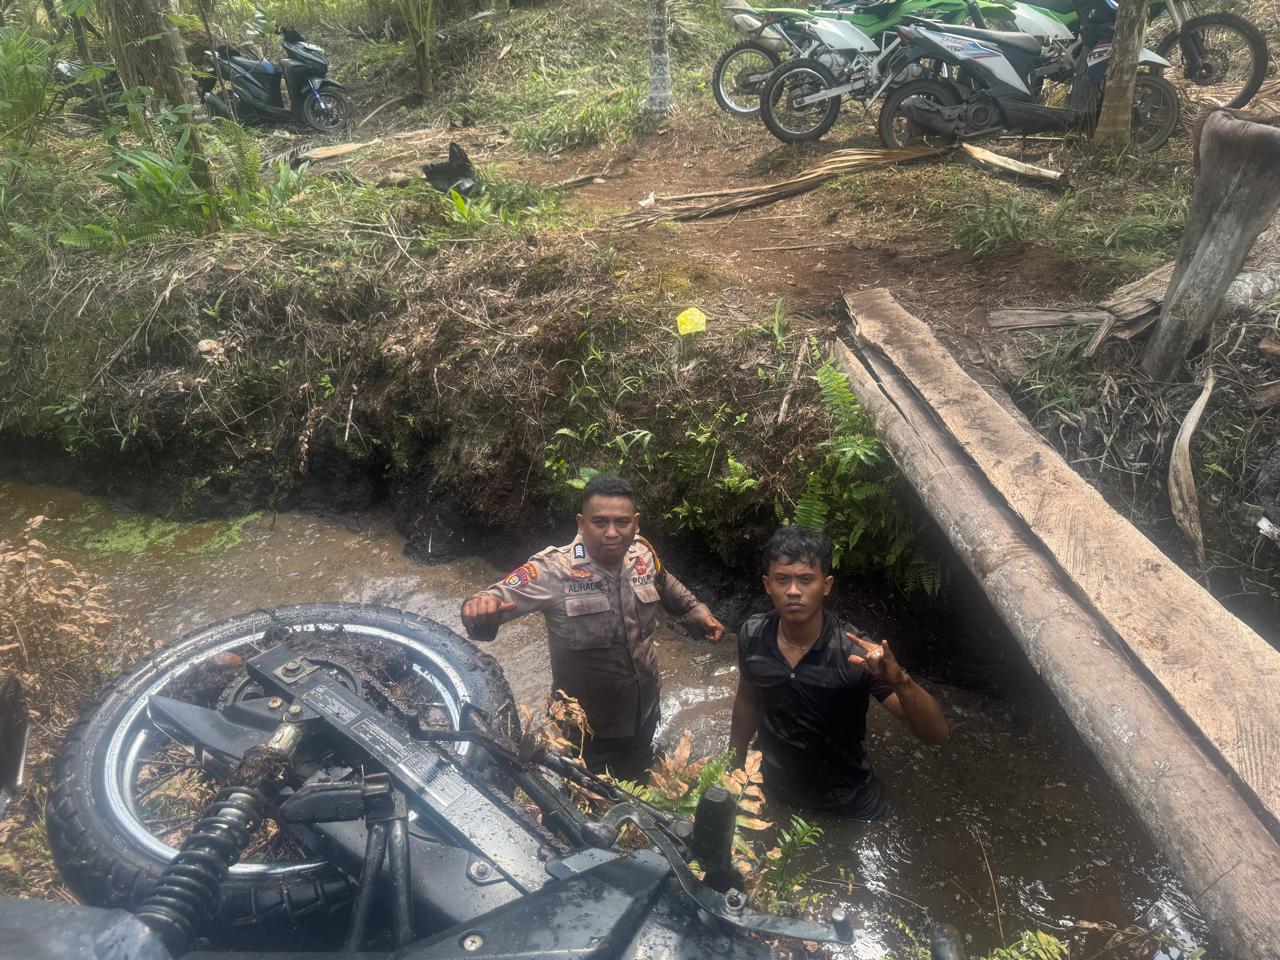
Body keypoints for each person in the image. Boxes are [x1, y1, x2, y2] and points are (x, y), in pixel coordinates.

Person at [460, 474, 725, 780]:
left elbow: (664, 581)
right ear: (581, 523)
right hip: (587, 735)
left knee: (640, 787)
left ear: (635, 523)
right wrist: (478, 609)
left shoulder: (642, 554)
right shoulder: (553, 570)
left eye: (622, 522)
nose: (612, 533)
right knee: (581, 808)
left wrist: (695, 609)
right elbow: (490, 604)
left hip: (644, 713)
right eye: (600, 522)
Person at [728, 526, 948, 820]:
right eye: (783, 580)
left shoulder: (855, 653)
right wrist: (733, 765)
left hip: (848, 804)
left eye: (806, 580)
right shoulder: (753, 634)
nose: (793, 591)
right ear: (768, 585)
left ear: (826, 585)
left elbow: (936, 734)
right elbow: (748, 701)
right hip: (772, 791)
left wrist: (901, 682)